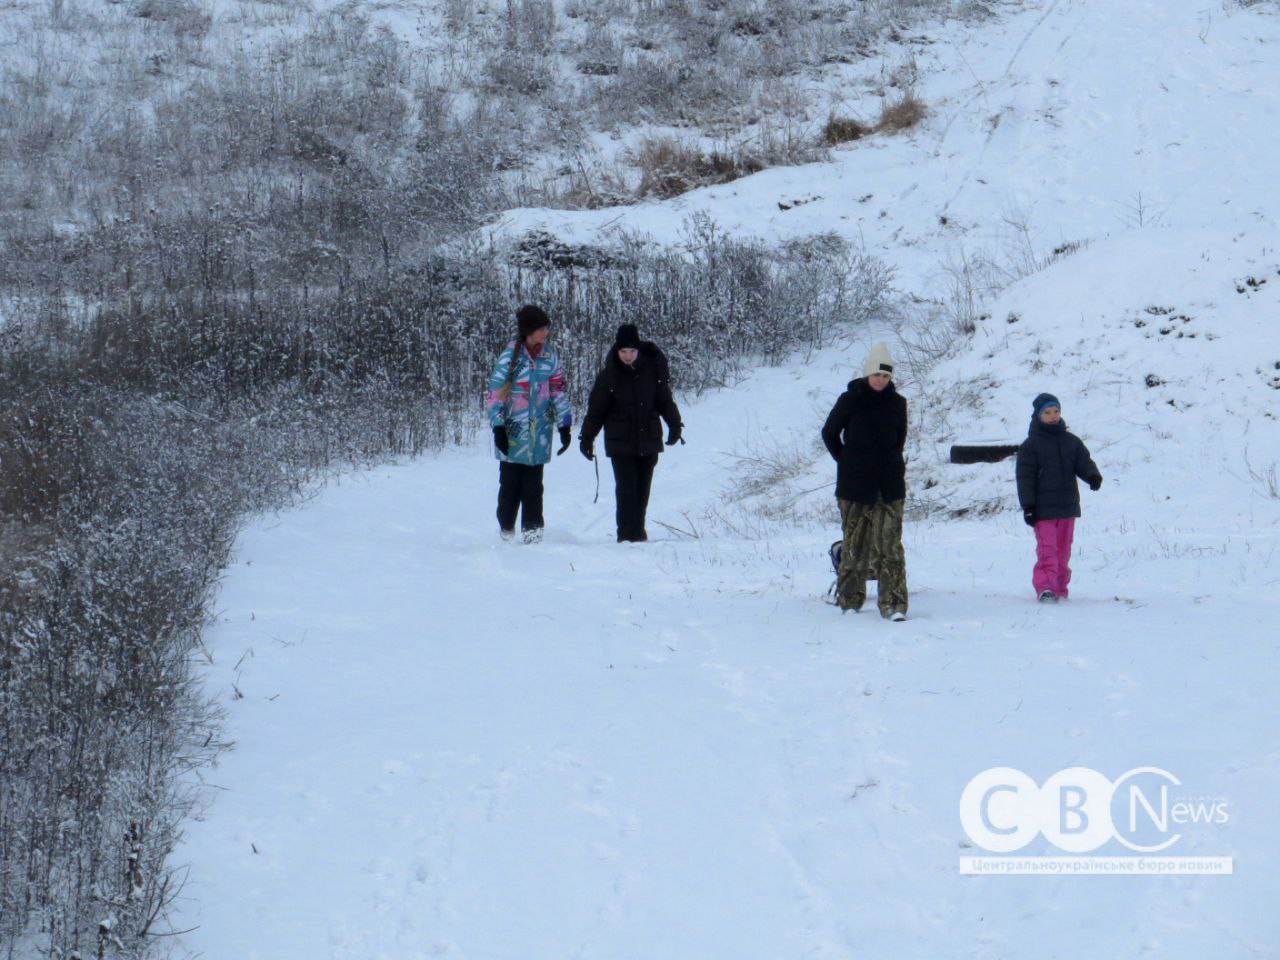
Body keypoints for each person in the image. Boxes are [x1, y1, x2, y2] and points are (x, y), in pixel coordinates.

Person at [821, 342, 909, 621]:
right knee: (855, 546)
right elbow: (829, 433)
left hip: (889, 486)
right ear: (867, 374)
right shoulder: (850, 400)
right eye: (876, 375)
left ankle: (893, 605)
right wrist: (847, 462)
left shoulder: (898, 403)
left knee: (890, 547)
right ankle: (850, 600)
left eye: (885, 375)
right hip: (854, 487)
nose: (880, 380)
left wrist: (891, 467)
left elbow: (899, 440)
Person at [578, 324, 683, 543]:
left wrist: (674, 424)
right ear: (617, 350)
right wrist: (587, 437)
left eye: (632, 351)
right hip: (620, 443)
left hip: (648, 439)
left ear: (639, 350)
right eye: (623, 351)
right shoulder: (608, 376)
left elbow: (664, 400)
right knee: (626, 490)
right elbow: (596, 410)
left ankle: (638, 534)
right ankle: (625, 536)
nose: (628, 356)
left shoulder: (652, 371)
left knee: (642, 491)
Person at [486, 304, 572, 543]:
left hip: (539, 434)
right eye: (541, 328)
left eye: (546, 328)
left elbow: (558, 391)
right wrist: (498, 427)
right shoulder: (510, 357)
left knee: (534, 487)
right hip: (513, 433)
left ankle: (533, 533)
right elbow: (495, 395)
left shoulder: (549, 356)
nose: (546, 332)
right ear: (528, 330)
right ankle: (506, 529)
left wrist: (564, 424)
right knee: (510, 486)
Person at [1015, 393, 1102, 602]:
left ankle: (1060, 588)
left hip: (1067, 507)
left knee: (1063, 551)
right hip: (1043, 510)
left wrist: (1092, 476)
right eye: (1047, 412)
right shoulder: (1031, 445)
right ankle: (1046, 587)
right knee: (1048, 551)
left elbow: (1083, 461)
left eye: (1056, 411)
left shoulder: (1071, 441)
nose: (1053, 416)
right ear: (1038, 416)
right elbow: (1025, 478)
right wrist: (1028, 506)